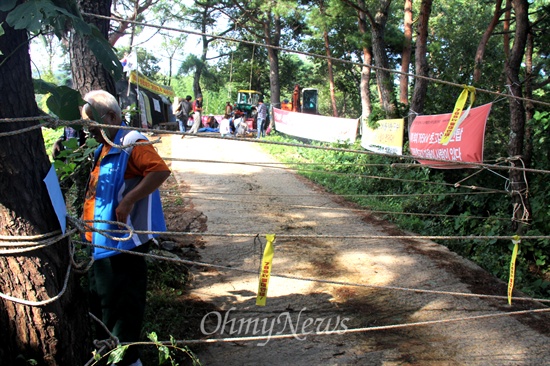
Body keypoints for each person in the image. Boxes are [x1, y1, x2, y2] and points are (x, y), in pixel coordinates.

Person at [81, 90, 171, 366]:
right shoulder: (103, 147)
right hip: (100, 243)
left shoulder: (131, 140)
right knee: (104, 305)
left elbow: (159, 170)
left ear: (110, 117)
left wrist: (129, 201)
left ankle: (126, 360)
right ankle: (113, 356)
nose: (89, 130)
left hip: (122, 245)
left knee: (121, 309)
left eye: (92, 124)